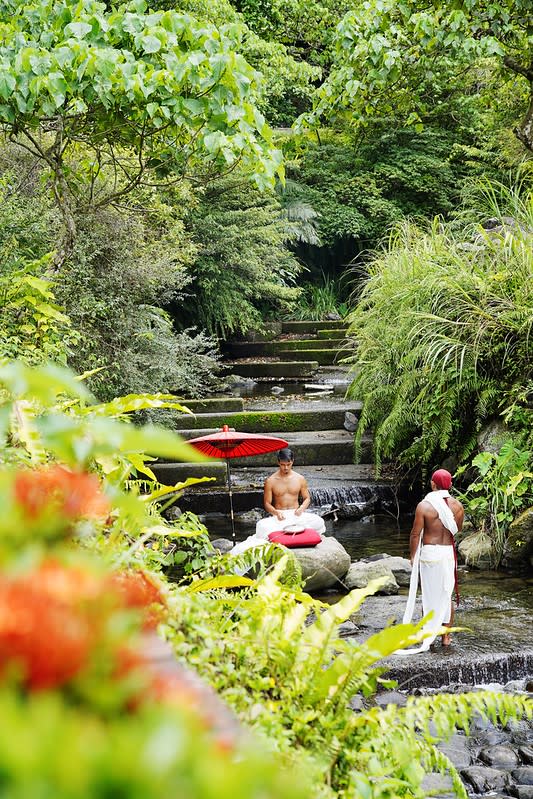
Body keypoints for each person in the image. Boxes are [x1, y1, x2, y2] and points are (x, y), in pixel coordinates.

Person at [397, 468, 464, 654]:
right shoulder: (458, 506)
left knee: (429, 595)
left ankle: (430, 633)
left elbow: (415, 534)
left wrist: (413, 555)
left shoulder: (425, 506)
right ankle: (446, 636)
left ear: (433, 484)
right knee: (446, 593)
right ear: (449, 485)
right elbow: (456, 530)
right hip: (448, 554)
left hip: (429, 554)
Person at [230, 448, 325, 557]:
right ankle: (289, 532)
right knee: (261, 525)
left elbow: (307, 498)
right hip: (279, 517)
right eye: (283, 464)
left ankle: (286, 532)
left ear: (293, 461)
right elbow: (267, 504)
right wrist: (276, 513)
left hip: (297, 515)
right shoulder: (270, 481)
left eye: (288, 464)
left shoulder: (300, 479)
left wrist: (301, 509)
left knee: (319, 521)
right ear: (278, 462)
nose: (285, 468)